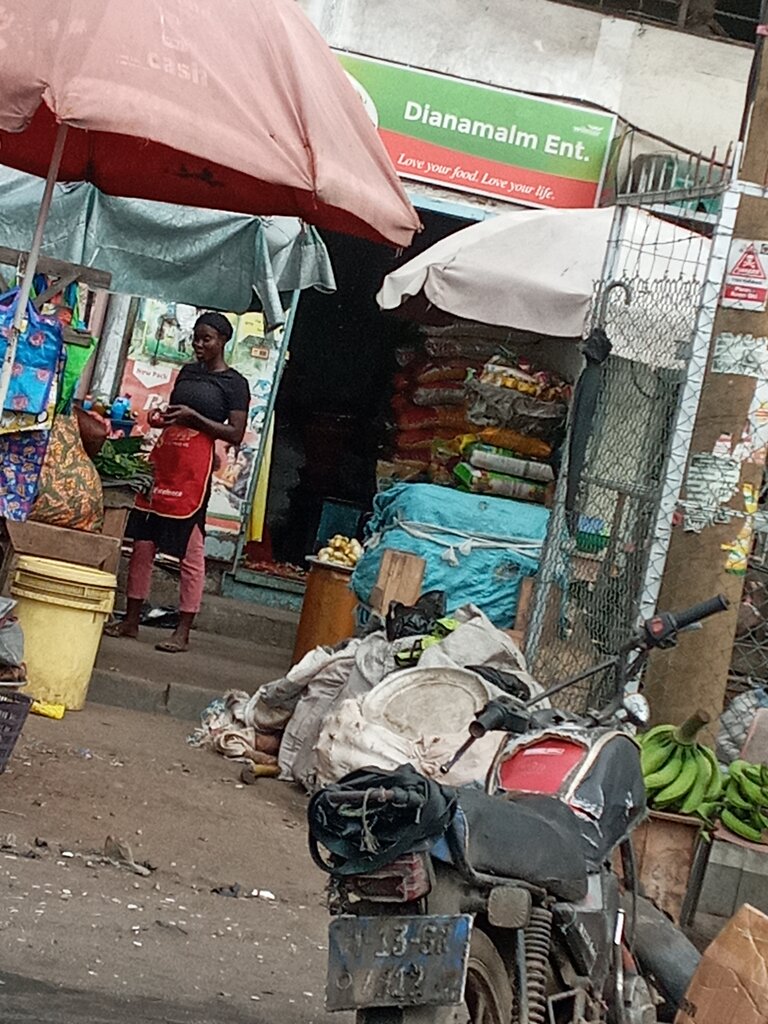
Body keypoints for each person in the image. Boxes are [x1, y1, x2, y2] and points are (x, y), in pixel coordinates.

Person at [107, 312, 250, 653]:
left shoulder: (234, 383)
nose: (199, 345)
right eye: (196, 338)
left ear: (223, 341)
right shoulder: (187, 373)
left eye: (207, 339)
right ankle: (131, 620)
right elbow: (176, 411)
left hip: (194, 469)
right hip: (166, 459)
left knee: (191, 548)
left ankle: (183, 631)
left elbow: (236, 432)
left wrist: (194, 418)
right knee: (142, 543)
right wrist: (164, 417)